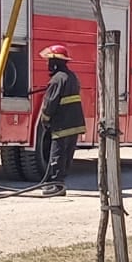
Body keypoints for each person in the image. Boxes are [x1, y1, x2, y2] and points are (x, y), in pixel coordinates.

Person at [36, 44, 86, 197]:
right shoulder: (72, 77)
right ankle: (60, 183)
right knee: (66, 155)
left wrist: (45, 120)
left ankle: (55, 185)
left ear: (56, 62)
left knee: (57, 154)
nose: (48, 64)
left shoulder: (57, 80)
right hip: (75, 124)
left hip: (62, 125)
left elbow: (50, 103)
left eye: (50, 61)